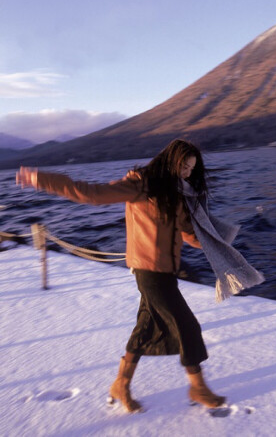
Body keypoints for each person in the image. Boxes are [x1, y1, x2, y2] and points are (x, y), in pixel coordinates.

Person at [16, 139, 226, 413]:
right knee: (187, 326)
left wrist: (218, 242)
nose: (187, 173)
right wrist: (41, 178)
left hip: (167, 271)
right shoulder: (142, 184)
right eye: (184, 166)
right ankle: (197, 386)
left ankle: (121, 384)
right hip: (149, 271)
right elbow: (91, 193)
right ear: (170, 160)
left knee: (146, 328)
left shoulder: (175, 193)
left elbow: (187, 233)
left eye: (191, 169)